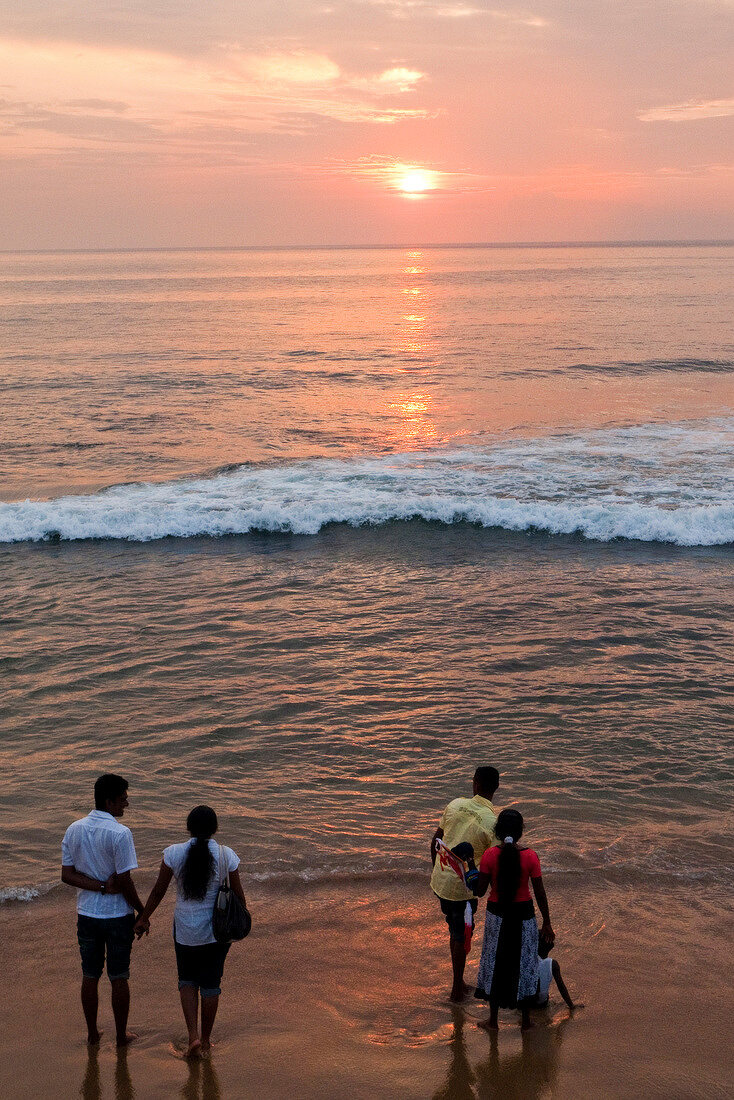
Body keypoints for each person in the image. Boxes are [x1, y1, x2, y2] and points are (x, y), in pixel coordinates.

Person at [134, 805, 246, 1058]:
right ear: (215, 828)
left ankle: (192, 1037)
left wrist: (143, 918)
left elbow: (158, 892)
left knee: (187, 981)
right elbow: (239, 896)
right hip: (217, 933)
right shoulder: (226, 854)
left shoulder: (173, 853)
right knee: (211, 985)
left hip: (185, 930)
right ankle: (206, 1041)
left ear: (189, 827)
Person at [61, 772, 144, 1047]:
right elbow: (124, 880)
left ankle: (92, 1034)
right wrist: (142, 911)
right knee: (119, 976)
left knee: (90, 975)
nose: (126, 804)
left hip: (86, 914)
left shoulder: (74, 829)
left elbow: (67, 875)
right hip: (118, 916)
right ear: (109, 802)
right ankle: (121, 1036)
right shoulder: (120, 833)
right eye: (123, 800)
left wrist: (97, 887)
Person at [472, 808, 554, 1031]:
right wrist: (547, 921)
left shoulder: (490, 856)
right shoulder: (530, 856)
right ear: (520, 832)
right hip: (524, 915)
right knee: (524, 965)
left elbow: (479, 891)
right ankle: (526, 1022)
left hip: (497, 915)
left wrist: (470, 867)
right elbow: (540, 892)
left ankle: (493, 1021)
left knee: (496, 962)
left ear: (498, 830)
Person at [430, 766, 500, 1002]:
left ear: (475, 785)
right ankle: (456, 991)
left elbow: (435, 840)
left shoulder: (455, 804)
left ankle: (458, 982)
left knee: (455, 931)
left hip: (441, 882)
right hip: (463, 890)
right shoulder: (493, 822)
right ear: (495, 788)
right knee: (461, 936)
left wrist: (437, 870)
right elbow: (494, 862)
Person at [532, 934, 583, 1011]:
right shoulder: (552, 964)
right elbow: (561, 986)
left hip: (525, 1003)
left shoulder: (529, 961)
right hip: (541, 1004)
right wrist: (571, 1006)